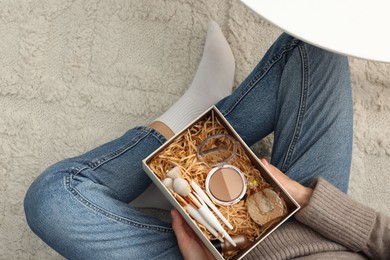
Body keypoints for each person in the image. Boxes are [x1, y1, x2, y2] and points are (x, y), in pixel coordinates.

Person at [24, 20, 389, 259]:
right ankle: (199, 120)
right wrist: (308, 198)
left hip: (225, 255)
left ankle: (185, 124)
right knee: (317, 42)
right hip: (325, 232)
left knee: (52, 198)